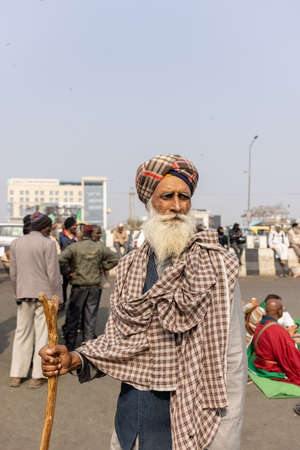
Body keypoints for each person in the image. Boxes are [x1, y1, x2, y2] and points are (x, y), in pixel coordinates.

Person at [40, 154, 247, 450]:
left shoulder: (217, 266)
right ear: (150, 202)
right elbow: (117, 342)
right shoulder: (129, 267)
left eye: (184, 197)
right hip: (133, 419)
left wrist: (226, 437)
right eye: (167, 196)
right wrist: (76, 358)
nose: (176, 206)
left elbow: (233, 359)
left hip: (193, 419)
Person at [9, 213, 62, 388]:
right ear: (45, 227)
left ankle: (17, 375)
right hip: (44, 296)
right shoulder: (48, 244)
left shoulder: (17, 243)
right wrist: (58, 298)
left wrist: (17, 292)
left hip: (23, 293)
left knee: (22, 333)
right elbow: (53, 274)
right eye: (50, 227)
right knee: (42, 334)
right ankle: (37, 376)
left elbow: (13, 274)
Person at [59, 224, 119, 351]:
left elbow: (61, 260)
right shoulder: (99, 247)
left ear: (81, 234)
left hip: (78, 287)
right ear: (91, 234)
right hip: (94, 288)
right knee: (90, 320)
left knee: (73, 318)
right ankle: (88, 351)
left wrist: (69, 272)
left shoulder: (74, 247)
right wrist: (103, 268)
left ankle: (70, 349)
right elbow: (116, 258)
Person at [253, 297, 300, 386]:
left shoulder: (261, 324)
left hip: (260, 362)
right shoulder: (276, 330)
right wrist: (288, 336)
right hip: (270, 368)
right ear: (279, 312)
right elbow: (290, 357)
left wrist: (287, 336)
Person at [59, 217, 77, 309]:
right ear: (69, 225)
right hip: (63, 265)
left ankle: (74, 304)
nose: (75, 227)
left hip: (74, 264)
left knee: (76, 286)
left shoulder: (76, 236)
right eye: (74, 225)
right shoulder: (60, 235)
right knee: (63, 286)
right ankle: (62, 303)